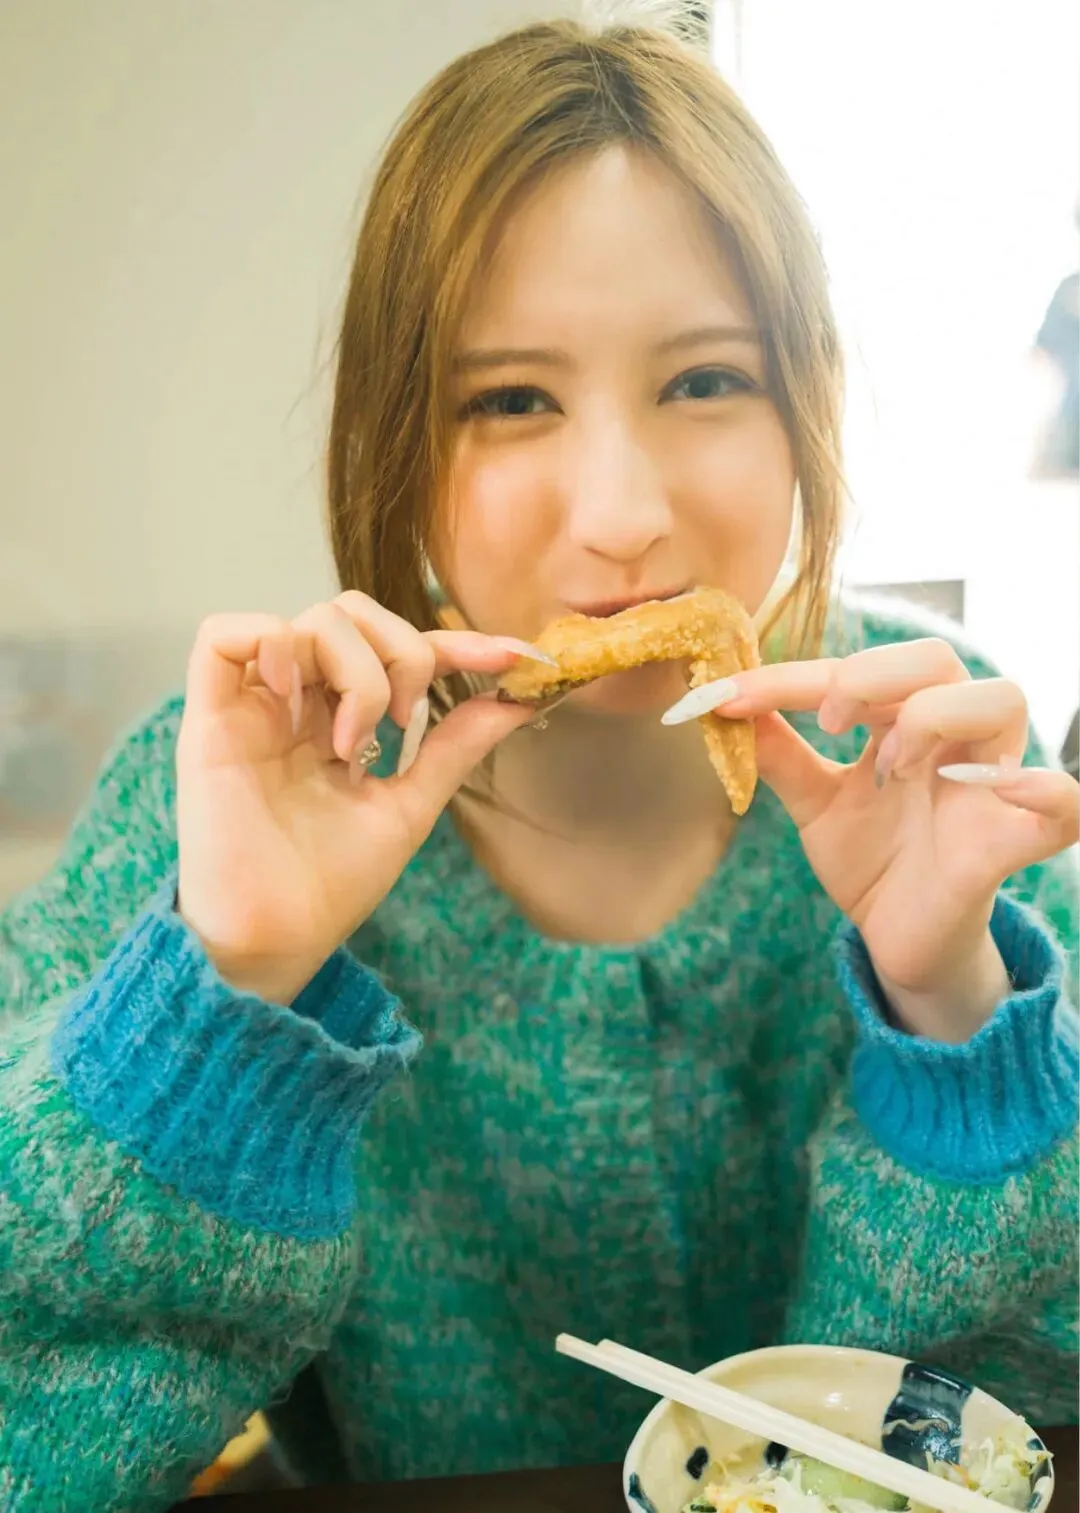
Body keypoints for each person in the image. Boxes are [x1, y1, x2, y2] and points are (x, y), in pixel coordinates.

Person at [1, 12, 1078, 1509]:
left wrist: (954, 1012)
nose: (622, 514)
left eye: (706, 381)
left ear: (809, 403)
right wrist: (230, 986)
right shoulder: (223, 796)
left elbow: (1030, 1431)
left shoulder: (934, 751)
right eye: (510, 401)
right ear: (393, 440)